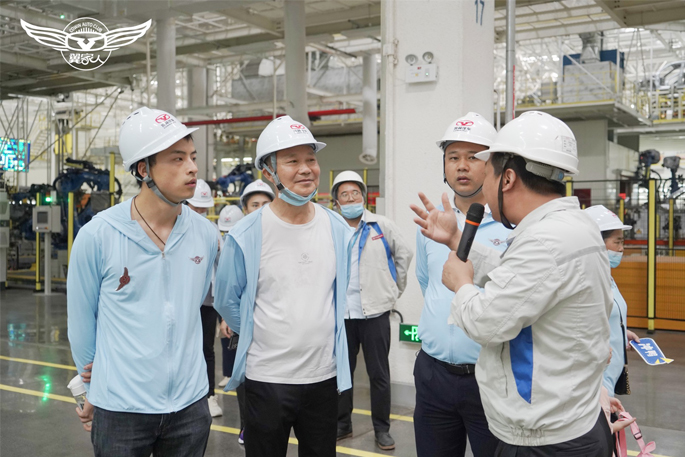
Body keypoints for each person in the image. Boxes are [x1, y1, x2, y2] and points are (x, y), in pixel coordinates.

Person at [411, 111, 614, 456]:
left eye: (486, 169)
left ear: (506, 178)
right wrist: (458, 240)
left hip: (546, 437)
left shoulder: (544, 241)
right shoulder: (572, 226)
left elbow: (487, 323)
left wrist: (462, 284)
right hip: (569, 419)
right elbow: (518, 276)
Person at [68, 107, 218, 456]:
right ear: (143, 169)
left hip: (190, 405)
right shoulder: (98, 235)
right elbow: (81, 321)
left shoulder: (205, 234)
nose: (192, 168)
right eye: (177, 159)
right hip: (121, 407)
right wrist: (93, 390)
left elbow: (193, 305)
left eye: (193, 157)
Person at [214, 115, 353, 457]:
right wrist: (264, 332)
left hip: (323, 377)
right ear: (269, 172)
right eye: (292, 161)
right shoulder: (246, 234)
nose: (306, 169)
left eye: (311, 159)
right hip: (266, 379)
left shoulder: (337, 228)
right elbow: (226, 300)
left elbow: (336, 295)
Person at [413, 113, 509, 457]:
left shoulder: (512, 226)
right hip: (433, 374)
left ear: (493, 165)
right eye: (453, 157)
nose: (462, 166)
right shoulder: (433, 223)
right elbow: (428, 283)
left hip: (492, 376)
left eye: (473, 157)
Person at [332, 170, 413, 451]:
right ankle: (343, 424)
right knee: (343, 373)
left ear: (364, 197)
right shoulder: (331, 228)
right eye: (344, 194)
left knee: (379, 375)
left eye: (355, 193)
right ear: (336, 202)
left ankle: (382, 429)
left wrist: (393, 291)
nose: (350, 198)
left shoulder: (381, 225)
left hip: (375, 314)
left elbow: (404, 255)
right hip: (343, 315)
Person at [584, 205, 641, 398]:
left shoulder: (607, 276)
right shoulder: (587, 282)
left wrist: (622, 332)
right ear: (596, 243)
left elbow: (606, 317)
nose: (621, 248)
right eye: (617, 242)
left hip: (610, 378)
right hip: (596, 383)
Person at [187, 178, 224, 418]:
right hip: (184, 301)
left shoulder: (212, 230)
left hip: (207, 302)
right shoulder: (175, 226)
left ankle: (209, 395)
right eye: (196, 207)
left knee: (206, 349)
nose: (200, 211)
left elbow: (222, 266)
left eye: (204, 208)